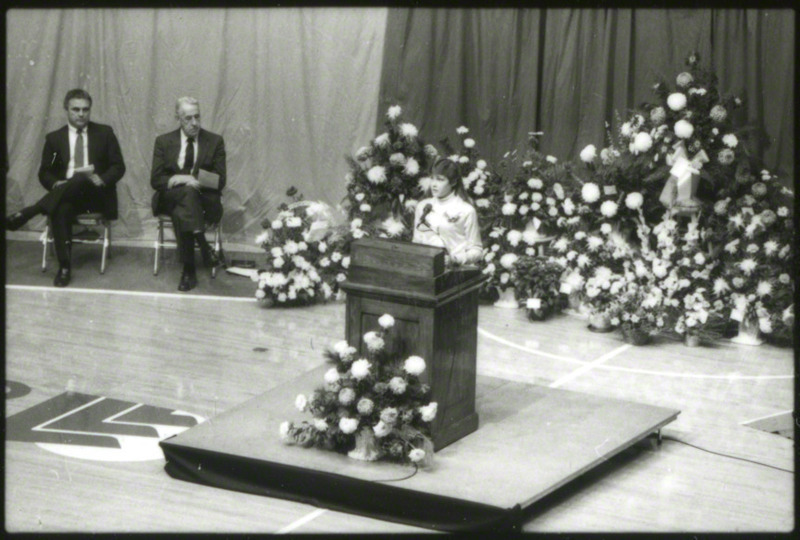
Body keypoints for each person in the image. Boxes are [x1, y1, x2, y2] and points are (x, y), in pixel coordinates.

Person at [6, 89, 126, 287]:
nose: (81, 114)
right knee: (61, 208)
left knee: (80, 178)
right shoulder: (55, 140)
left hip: (96, 196)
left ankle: (30, 212)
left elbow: (118, 167)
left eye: (85, 110)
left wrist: (102, 179)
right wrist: (55, 183)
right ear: (66, 110)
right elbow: (46, 171)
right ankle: (64, 267)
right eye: (75, 109)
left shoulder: (104, 134)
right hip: (67, 196)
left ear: (90, 110)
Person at [151, 96, 226, 292]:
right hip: (170, 197)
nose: (194, 123)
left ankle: (189, 269)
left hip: (201, 200)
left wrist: (191, 181)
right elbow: (156, 180)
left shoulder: (214, 141)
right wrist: (184, 180)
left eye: (197, 117)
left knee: (183, 208)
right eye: (188, 118)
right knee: (185, 196)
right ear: (178, 118)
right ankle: (202, 244)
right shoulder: (163, 141)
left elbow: (220, 180)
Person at [412, 157, 482, 265]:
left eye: (440, 179)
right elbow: (416, 242)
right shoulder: (422, 206)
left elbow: (476, 249)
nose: (434, 184)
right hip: (425, 269)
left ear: (453, 182)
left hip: (454, 271)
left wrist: (455, 259)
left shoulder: (466, 210)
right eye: (432, 178)